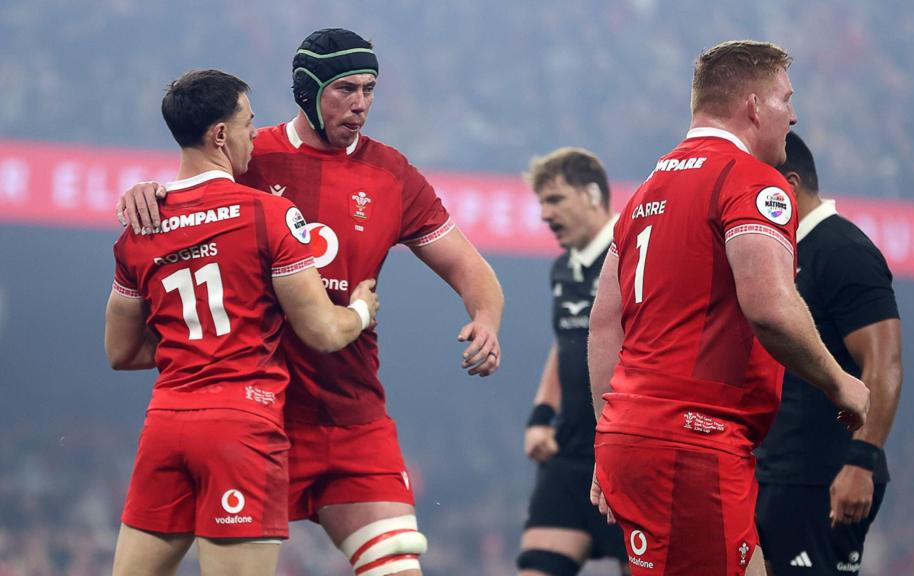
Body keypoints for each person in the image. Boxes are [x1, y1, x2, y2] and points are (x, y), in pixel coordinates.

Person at [116, 28, 504, 576]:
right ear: (306, 90)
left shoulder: (392, 174)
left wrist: (486, 319)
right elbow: (194, 183)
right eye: (346, 88)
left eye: (369, 89)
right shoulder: (252, 155)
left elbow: (472, 269)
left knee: (399, 569)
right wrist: (148, 191)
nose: (361, 104)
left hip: (352, 420)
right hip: (260, 415)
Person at [586, 40, 871, 576]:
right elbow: (769, 307)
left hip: (636, 432)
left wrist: (609, 434)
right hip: (695, 440)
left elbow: (604, 324)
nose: (794, 113)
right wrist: (841, 383)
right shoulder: (752, 181)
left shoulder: (647, 191)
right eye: (787, 98)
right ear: (755, 107)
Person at [105, 69, 379, 576]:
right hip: (242, 425)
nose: (256, 133)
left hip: (166, 422)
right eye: (249, 123)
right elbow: (322, 331)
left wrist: (187, 345)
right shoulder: (270, 214)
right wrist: (361, 310)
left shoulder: (139, 228)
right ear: (220, 135)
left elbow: (120, 352)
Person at [754, 132, 902, 576]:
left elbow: (885, 363)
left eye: (754, 191)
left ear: (790, 186)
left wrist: (861, 462)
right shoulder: (780, 255)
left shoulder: (842, 251)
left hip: (823, 475)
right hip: (777, 472)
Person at [518, 148, 629, 576]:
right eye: (542, 202)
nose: (545, 214)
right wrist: (541, 416)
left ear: (592, 195)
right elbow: (564, 345)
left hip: (625, 453)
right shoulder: (563, 268)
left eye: (556, 200)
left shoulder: (637, 256)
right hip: (569, 455)